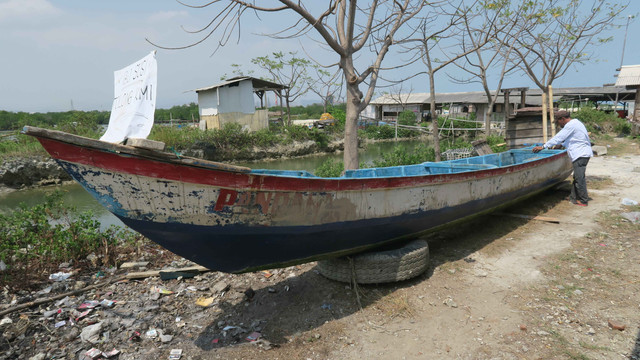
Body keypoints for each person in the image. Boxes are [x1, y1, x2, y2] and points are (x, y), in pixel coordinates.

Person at [532, 111, 593, 206]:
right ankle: (573, 198)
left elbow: (559, 137)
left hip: (580, 154)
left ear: (563, 119)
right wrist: (561, 145)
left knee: (579, 177)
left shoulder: (570, 125)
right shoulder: (576, 123)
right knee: (577, 177)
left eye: (558, 121)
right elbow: (573, 139)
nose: (558, 124)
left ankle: (583, 200)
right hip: (582, 153)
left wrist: (544, 146)